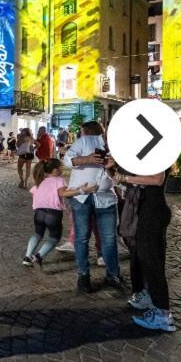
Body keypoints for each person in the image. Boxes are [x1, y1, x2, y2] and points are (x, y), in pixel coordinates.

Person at [110, 161, 175, 332]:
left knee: (152, 261)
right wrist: (112, 168)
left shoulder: (159, 155)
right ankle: (150, 297)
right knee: (143, 258)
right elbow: (124, 180)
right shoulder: (148, 156)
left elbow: (157, 179)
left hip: (152, 213)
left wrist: (125, 176)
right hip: (146, 211)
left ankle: (163, 315)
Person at [63, 121, 123, 293]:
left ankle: (113, 275)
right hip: (81, 197)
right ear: (106, 128)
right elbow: (67, 160)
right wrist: (87, 159)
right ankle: (83, 276)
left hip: (105, 197)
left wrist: (113, 166)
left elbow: (120, 177)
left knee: (110, 240)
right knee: (81, 238)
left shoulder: (121, 148)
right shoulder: (86, 141)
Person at [23, 159, 98, 267]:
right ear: (56, 170)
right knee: (54, 237)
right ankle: (38, 256)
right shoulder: (59, 180)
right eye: (61, 167)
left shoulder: (40, 181)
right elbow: (63, 193)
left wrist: (76, 188)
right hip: (53, 214)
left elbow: (34, 192)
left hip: (39, 212)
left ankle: (27, 256)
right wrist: (81, 190)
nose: (63, 169)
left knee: (37, 234)